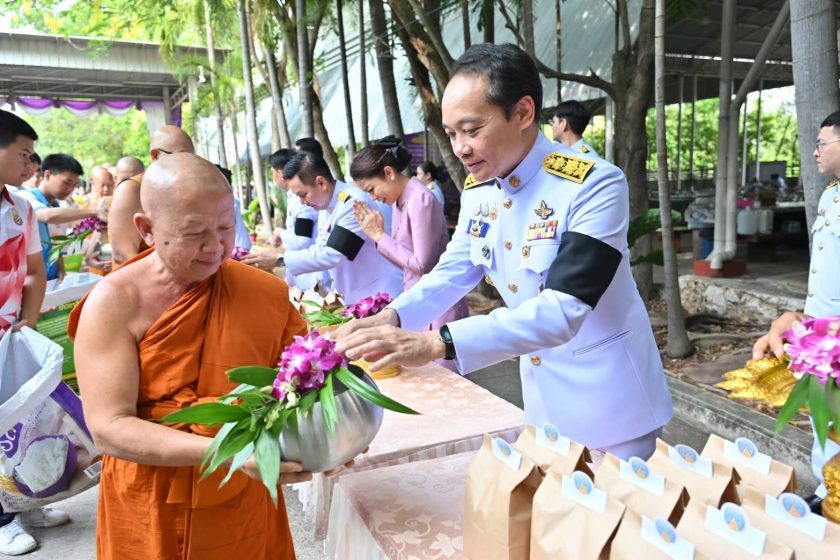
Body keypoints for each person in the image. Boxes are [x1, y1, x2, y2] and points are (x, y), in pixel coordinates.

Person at [335, 43, 672, 460]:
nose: (459, 148)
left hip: (611, 405)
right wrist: (392, 317)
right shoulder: (480, 192)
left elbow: (564, 308)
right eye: (451, 133)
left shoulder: (592, 185)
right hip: (543, 403)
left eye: (471, 130)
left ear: (524, 112)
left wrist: (439, 342)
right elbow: (451, 272)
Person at [69, 153, 313, 560]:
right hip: (151, 499)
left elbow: (301, 383)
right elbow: (109, 428)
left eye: (225, 226)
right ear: (147, 229)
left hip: (240, 495)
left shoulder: (264, 292)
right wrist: (228, 452)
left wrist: (332, 440)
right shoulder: (113, 303)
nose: (215, 246)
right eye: (194, 231)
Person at [753, 110, 840, 515]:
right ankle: (827, 494)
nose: (815, 151)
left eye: (823, 143)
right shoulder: (829, 196)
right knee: (824, 423)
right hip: (821, 335)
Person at [0, 110, 69, 557]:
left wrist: (28, 318)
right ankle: (2, 520)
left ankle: (27, 503)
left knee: (22, 422)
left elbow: (34, 271)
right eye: (23, 154)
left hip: (10, 334)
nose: (30, 165)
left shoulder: (21, 208)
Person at [242, 150, 403, 304]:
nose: (302, 202)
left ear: (321, 182)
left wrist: (280, 259)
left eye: (302, 194)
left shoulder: (352, 204)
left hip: (380, 292)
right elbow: (320, 246)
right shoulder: (326, 204)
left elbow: (333, 253)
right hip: (357, 292)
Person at [349, 136, 468, 338]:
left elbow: (421, 265)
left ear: (389, 173)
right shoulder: (399, 201)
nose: (373, 197)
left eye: (371, 189)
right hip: (418, 304)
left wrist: (380, 236)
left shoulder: (419, 199)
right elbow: (405, 262)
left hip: (438, 306)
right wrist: (378, 238)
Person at [109, 126, 193, 265]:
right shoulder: (132, 189)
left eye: (191, 159)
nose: (188, 165)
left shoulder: (183, 189)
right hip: (141, 275)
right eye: (181, 157)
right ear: (155, 155)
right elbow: (123, 254)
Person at [17, 153, 104, 281]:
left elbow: (56, 247)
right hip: (28, 279)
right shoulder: (26, 198)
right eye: (67, 183)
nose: (70, 189)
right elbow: (46, 216)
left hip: (50, 279)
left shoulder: (58, 208)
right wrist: (95, 212)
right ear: (47, 175)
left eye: (74, 185)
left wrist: (61, 272)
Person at [264, 148, 326, 291]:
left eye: (272, 172)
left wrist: (280, 232)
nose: (303, 199)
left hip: (309, 274)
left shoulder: (302, 201)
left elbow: (303, 240)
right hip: (300, 269)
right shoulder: (293, 197)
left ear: (280, 172)